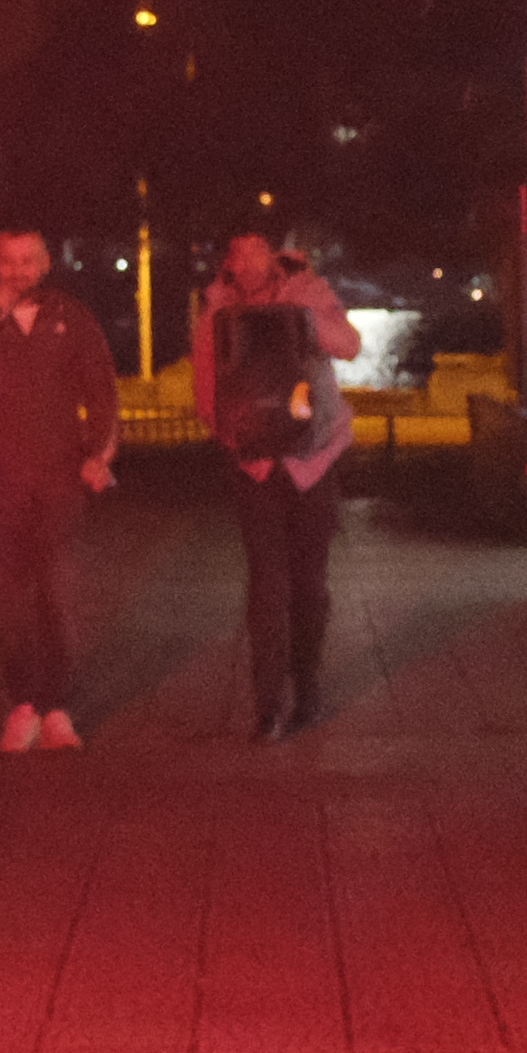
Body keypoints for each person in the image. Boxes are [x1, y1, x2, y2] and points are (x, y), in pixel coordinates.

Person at [0, 224, 118, 752]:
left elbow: (100, 390)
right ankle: (22, 702)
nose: (19, 272)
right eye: (9, 261)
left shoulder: (72, 319)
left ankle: (57, 705)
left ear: (45, 265)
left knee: (55, 591)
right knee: (6, 596)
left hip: (57, 479)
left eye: (29, 261)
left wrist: (97, 453)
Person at [193, 225, 363, 740]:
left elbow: (349, 346)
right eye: (236, 254)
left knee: (309, 586)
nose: (246, 263)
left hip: (314, 459)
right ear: (227, 264)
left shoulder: (309, 291)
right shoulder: (217, 311)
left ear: (273, 258)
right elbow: (206, 384)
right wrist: (232, 435)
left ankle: (306, 688)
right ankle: (268, 704)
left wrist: (298, 314)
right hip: (255, 465)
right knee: (267, 585)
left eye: (256, 252)